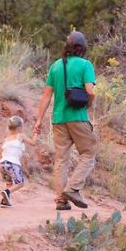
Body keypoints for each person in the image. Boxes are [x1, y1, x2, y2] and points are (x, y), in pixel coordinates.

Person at [33, 30, 97, 211]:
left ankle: (61, 200)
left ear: (66, 47)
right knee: (88, 153)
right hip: (78, 117)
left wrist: (38, 120)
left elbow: (46, 96)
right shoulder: (86, 65)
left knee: (61, 159)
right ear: (83, 48)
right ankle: (73, 188)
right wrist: (89, 105)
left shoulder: (55, 66)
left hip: (59, 118)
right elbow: (90, 91)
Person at [0, 115, 38, 207]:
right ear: (20, 127)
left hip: (3, 164)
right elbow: (33, 143)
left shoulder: (7, 139)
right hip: (13, 164)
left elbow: (1, 153)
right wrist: (36, 133)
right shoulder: (20, 136)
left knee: (9, 183)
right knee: (20, 183)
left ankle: (4, 201)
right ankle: (7, 192)